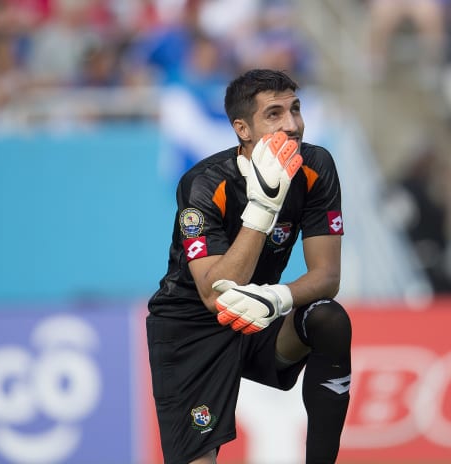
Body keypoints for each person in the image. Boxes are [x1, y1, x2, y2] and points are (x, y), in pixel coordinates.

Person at [145, 68, 351, 464]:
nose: (292, 125)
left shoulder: (316, 166)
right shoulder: (203, 184)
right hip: (192, 326)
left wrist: (276, 297)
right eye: (274, 114)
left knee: (329, 318)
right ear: (243, 128)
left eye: (295, 109)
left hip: (261, 315)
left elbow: (328, 276)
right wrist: (263, 206)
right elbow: (215, 293)